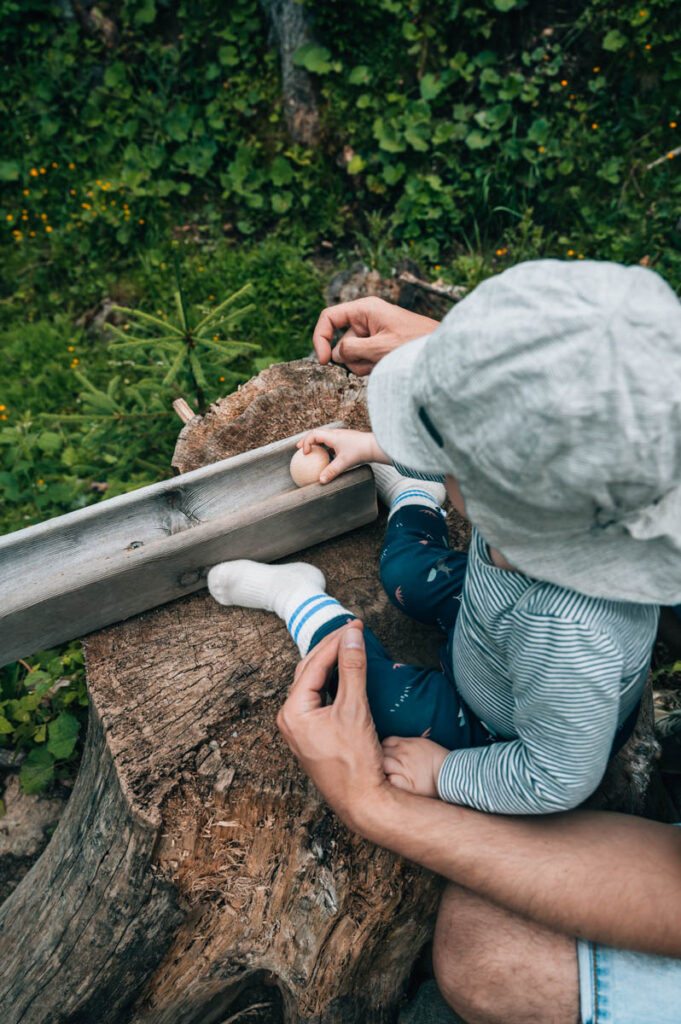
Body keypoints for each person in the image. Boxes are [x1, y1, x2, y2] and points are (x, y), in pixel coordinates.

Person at [213, 262, 681, 1021]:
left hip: (501, 724)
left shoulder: (571, 637)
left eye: (447, 467)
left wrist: (444, 777)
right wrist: (426, 414)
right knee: (405, 570)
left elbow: (552, 779)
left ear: (520, 510)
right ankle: (413, 500)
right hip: (495, 631)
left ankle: (300, 598)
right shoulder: (565, 520)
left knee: (383, 696)